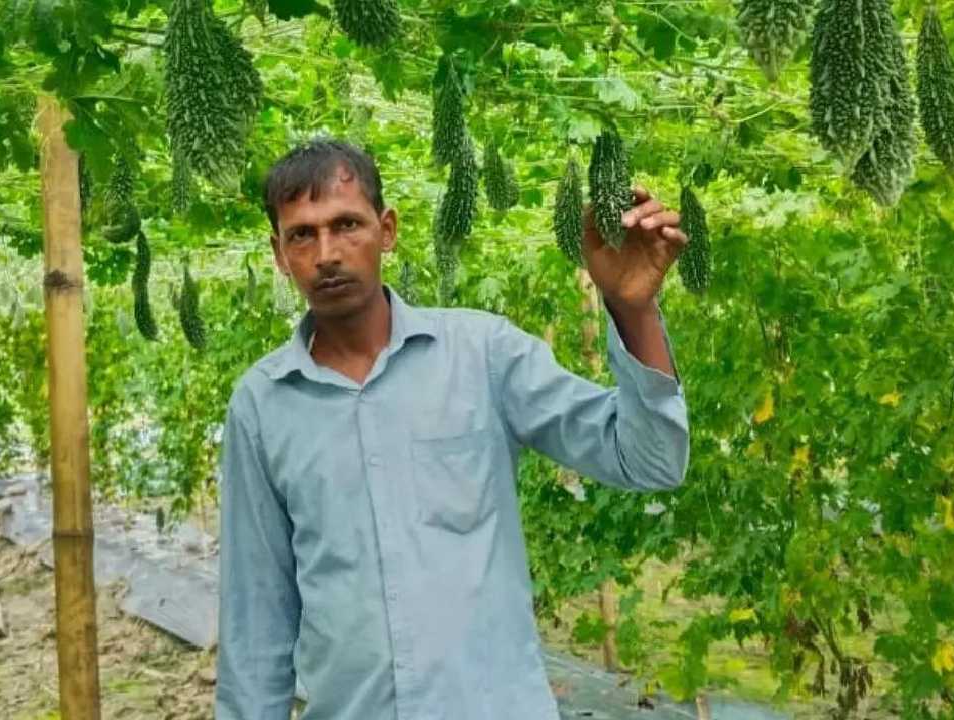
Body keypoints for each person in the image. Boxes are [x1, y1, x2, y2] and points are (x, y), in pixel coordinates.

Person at [215, 138, 690, 720]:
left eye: (347, 224)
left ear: (387, 230)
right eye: (302, 234)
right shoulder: (262, 406)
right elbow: (256, 618)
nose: (327, 253)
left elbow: (650, 459)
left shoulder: (482, 354)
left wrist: (633, 310)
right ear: (278, 253)